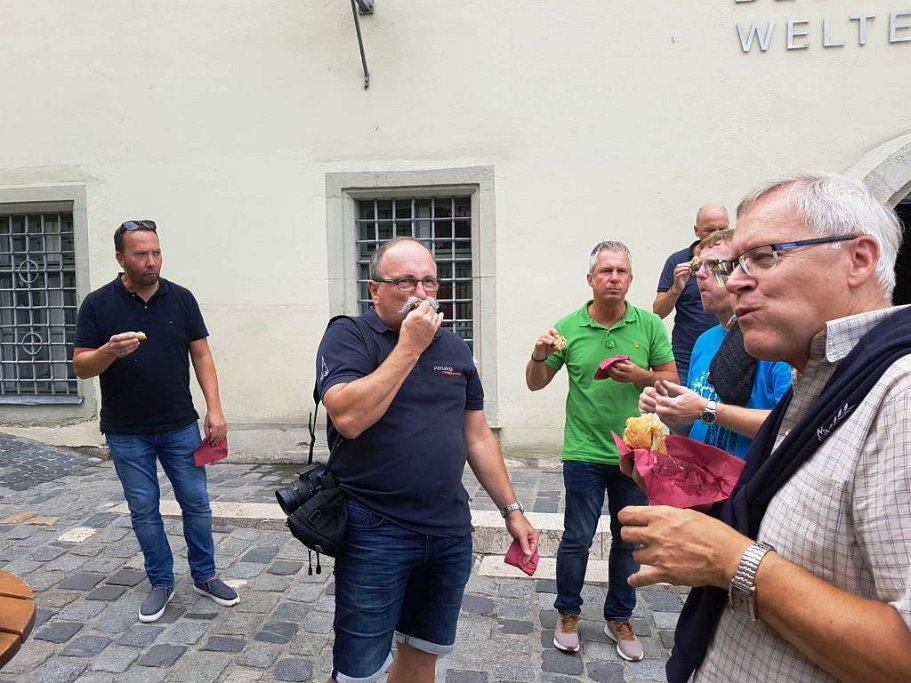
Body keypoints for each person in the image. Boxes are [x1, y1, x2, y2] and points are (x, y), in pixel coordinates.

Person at [619, 173, 911, 682]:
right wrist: (694, 503)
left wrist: (729, 559)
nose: (734, 282)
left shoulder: (900, 394)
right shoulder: (821, 378)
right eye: (735, 264)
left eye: (764, 256)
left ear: (858, 260)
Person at [316, 237, 538, 683]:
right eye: (405, 281)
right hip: (375, 528)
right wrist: (409, 347)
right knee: (359, 670)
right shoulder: (349, 335)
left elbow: (477, 435)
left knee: (423, 654)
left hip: (448, 530)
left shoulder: (454, 347)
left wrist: (512, 510)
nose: (420, 292)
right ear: (374, 289)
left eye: (429, 281)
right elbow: (349, 419)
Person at [73, 220, 238, 623]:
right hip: (126, 431)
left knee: (196, 503)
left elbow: (201, 354)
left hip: (180, 424)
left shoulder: (181, 298)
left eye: (156, 252)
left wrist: (215, 409)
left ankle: (205, 575)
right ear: (121, 258)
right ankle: (161, 581)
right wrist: (109, 352)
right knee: (144, 509)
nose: (151, 261)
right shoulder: (97, 304)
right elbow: (81, 366)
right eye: (141, 254)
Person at [526, 240, 677, 661]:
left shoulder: (649, 325)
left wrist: (640, 375)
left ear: (630, 279)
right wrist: (538, 356)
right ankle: (568, 613)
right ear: (590, 279)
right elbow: (535, 383)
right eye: (606, 271)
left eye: (621, 271)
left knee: (629, 540)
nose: (614, 278)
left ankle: (620, 617)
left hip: (636, 452)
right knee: (577, 537)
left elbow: (670, 381)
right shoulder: (567, 328)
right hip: (584, 452)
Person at [639, 229, 791, 458]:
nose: (700, 275)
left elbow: (788, 427)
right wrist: (668, 410)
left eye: (713, 265)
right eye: (699, 266)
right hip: (701, 476)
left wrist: (706, 409)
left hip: (748, 478)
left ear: (741, 272)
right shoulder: (704, 341)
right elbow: (695, 425)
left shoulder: (777, 344)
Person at [653, 203, 730, 384]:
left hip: (727, 351)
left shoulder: (733, 260)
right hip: (685, 358)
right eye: (710, 230)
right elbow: (658, 312)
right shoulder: (677, 260)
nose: (717, 235)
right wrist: (676, 289)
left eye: (722, 229)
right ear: (696, 230)